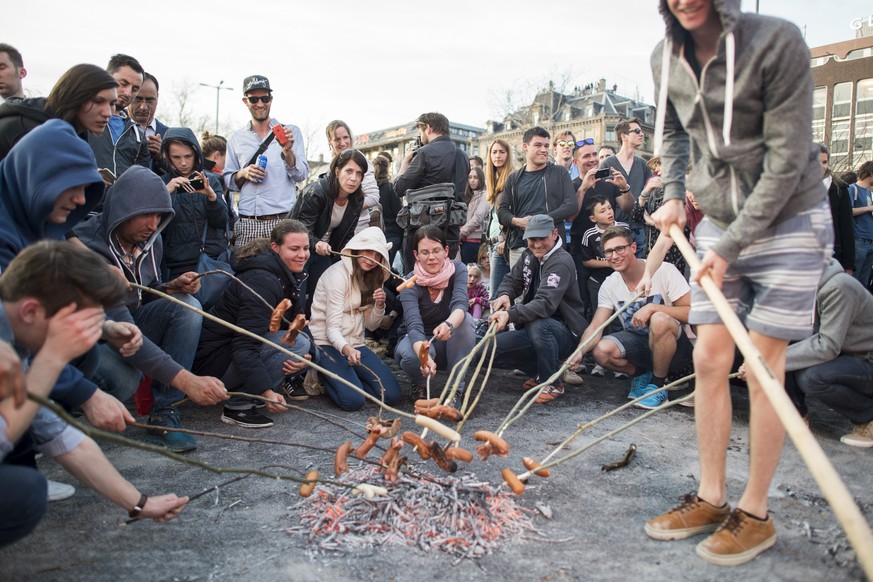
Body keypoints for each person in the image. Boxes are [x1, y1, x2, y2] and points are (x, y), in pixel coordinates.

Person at [645, 0, 833, 566]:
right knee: (708, 358)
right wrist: (674, 191)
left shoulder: (778, 40)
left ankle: (754, 513)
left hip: (789, 217)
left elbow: (788, 156)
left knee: (763, 367)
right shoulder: (665, 56)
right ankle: (710, 495)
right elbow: (674, 132)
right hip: (720, 221)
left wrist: (728, 248)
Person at [0, 242, 187, 549]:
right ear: (31, 310)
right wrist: (52, 359)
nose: (81, 339)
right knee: (24, 490)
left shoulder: (18, 340)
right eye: (72, 327)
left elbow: (59, 435)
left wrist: (140, 503)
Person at [72, 166, 229, 451]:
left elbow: (144, 290)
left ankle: (164, 414)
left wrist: (170, 287)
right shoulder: (88, 246)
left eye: (160, 215)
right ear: (123, 209)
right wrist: (188, 382)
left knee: (188, 305)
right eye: (146, 214)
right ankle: (69, 412)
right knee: (123, 378)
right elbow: (119, 316)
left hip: (127, 324)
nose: (153, 224)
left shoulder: (149, 242)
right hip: (91, 338)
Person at [195, 220, 312, 427]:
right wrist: (265, 391)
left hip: (232, 354)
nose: (302, 255)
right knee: (300, 343)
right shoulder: (262, 281)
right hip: (215, 362)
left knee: (302, 344)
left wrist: (309, 358)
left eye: (306, 248)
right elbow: (244, 346)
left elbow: (298, 321)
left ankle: (248, 393)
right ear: (275, 248)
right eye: (294, 249)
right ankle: (239, 406)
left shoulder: (292, 274)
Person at [570, 226, 692, 408]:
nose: (615, 255)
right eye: (609, 251)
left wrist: (653, 308)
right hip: (639, 345)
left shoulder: (664, 270)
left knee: (659, 319)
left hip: (674, 348)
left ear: (633, 248)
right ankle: (644, 375)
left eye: (620, 248)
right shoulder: (610, 284)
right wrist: (580, 351)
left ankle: (658, 387)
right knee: (600, 350)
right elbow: (596, 326)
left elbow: (692, 312)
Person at [489, 215, 587, 404]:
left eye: (542, 238)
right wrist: (504, 295)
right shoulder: (528, 254)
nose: (537, 244)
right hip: (531, 326)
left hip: (564, 332)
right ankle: (540, 373)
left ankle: (553, 382)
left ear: (555, 234)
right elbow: (512, 280)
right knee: (493, 348)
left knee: (538, 324)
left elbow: (544, 304)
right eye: (533, 239)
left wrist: (509, 315)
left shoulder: (561, 261)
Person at [778, 260, 873, 447]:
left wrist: (771, 361)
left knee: (811, 378)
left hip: (867, 359)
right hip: (853, 355)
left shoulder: (838, 287)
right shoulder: (817, 284)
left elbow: (828, 345)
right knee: (795, 358)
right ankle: (796, 412)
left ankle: (868, 418)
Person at [309, 227, 400, 411]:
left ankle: (350, 379)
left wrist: (380, 306)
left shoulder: (373, 275)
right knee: (353, 401)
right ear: (357, 249)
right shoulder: (337, 275)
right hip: (326, 341)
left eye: (377, 255)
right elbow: (331, 328)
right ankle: (322, 374)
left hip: (355, 343)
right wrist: (346, 348)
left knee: (390, 395)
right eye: (367, 251)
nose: (372, 259)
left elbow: (371, 326)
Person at [223, 75, 308, 250]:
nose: (260, 104)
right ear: (245, 101)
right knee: (245, 275)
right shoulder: (236, 138)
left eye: (265, 98)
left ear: (271, 99)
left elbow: (301, 175)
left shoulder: (290, 131)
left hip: (282, 221)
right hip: (248, 222)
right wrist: (243, 173)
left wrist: (287, 151)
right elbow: (228, 181)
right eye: (254, 99)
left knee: (283, 275)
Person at [395, 225, 475, 398]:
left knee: (466, 321)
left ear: (446, 251)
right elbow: (413, 326)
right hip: (417, 340)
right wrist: (424, 358)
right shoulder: (409, 283)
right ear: (416, 255)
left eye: (436, 250)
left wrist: (449, 324)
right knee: (411, 358)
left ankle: (456, 390)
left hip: (449, 340)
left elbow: (461, 303)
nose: (431, 257)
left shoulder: (458, 269)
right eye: (424, 252)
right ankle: (420, 382)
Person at [292, 148, 368, 312]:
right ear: (337, 170)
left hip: (325, 252)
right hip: (300, 249)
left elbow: (347, 235)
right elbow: (301, 229)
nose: (354, 178)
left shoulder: (357, 199)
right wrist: (317, 242)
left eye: (359, 173)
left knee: (320, 299)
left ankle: (316, 334)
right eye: (349, 171)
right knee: (297, 298)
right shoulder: (316, 192)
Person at [394, 112, 470, 270]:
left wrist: (405, 162)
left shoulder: (424, 153)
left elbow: (399, 188)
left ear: (427, 128)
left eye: (420, 132)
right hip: (451, 230)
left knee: (417, 284)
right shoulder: (462, 156)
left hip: (422, 232)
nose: (420, 136)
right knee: (445, 281)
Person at [497, 126, 577, 268]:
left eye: (546, 146)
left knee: (551, 289)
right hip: (520, 246)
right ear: (525, 147)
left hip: (551, 246)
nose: (544, 149)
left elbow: (571, 205)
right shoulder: (514, 178)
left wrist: (538, 222)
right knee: (521, 290)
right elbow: (502, 212)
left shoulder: (559, 172)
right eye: (538, 145)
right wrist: (518, 221)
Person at [0, 63, 117, 160]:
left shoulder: (76, 132)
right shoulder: (29, 131)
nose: (108, 113)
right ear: (74, 97)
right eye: (98, 101)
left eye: (112, 104)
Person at [159, 127, 229, 280]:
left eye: (188, 156)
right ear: (168, 157)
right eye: (176, 157)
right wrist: (165, 193)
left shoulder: (212, 180)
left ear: (196, 154)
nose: (183, 163)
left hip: (212, 259)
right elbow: (155, 227)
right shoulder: (161, 184)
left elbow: (222, 221)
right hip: (178, 263)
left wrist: (211, 196)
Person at [87, 54, 150, 180]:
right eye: (123, 83)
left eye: (135, 89)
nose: (127, 92)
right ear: (106, 76)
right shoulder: (82, 120)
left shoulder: (137, 134)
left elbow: (142, 181)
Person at [600, 118, 651, 257]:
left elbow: (650, 197)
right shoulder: (607, 164)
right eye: (637, 131)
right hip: (616, 227)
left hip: (639, 227)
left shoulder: (644, 164)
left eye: (641, 131)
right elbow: (602, 198)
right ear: (624, 136)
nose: (642, 134)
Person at [325, 120, 380, 233]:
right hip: (332, 231)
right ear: (330, 142)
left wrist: (343, 208)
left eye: (346, 137)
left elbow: (373, 197)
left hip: (356, 230)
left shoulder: (360, 160)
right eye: (337, 139)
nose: (343, 142)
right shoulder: (331, 164)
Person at [484, 138, 514, 299]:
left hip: (504, 244)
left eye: (502, 152)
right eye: (494, 152)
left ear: (508, 155)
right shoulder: (493, 180)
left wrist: (506, 240)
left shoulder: (513, 178)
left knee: (496, 296)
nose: (498, 156)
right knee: (495, 294)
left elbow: (516, 213)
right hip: (492, 243)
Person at [818, 144, 854, 274]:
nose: (821, 166)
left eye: (824, 162)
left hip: (833, 255)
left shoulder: (839, 188)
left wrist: (849, 265)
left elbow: (847, 228)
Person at [128, 72, 167, 174]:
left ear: (157, 98)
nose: (143, 107)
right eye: (138, 99)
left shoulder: (169, 136)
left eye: (150, 100)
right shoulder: (113, 131)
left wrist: (162, 158)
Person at [374, 152, 402, 267]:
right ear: (387, 169)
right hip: (392, 235)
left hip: (374, 235)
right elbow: (398, 214)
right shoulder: (390, 189)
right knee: (386, 268)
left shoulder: (370, 190)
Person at [850, 162, 873, 288]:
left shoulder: (868, 192)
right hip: (859, 239)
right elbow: (849, 211)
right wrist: (869, 208)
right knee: (855, 279)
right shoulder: (853, 189)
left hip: (870, 240)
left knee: (864, 281)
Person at [459, 166, 488, 264]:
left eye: (475, 177)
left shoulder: (485, 195)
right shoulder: (468, 195)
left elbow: (478, 217)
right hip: (462, 240)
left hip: (473, 240)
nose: (472, 180)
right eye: (470, 177)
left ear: (481, 179)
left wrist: (462, 232)